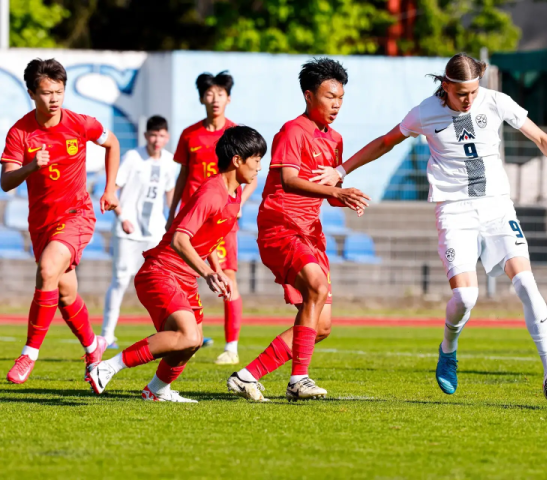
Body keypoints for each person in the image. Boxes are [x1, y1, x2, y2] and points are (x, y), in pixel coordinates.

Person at [310, 53, 547, 395]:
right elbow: (385, 142)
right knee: (466, 297)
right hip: (454, 211)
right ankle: (448, 348)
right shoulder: (424, 113)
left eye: (473, 91)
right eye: (461, 93)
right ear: (445, 86)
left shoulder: (496, 101)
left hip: (497, 207)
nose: (469, 99)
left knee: (527, 285)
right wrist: (341, 171)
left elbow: (541, 138)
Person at [87, 125, 266, 402]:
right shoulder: (212, 193)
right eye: (256, 160)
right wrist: (208, 274)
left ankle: (157, 390)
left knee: (192, 342)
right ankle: (106, 367)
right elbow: (180, 239)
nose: (259, 167)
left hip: (184, 278)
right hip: (161, 271)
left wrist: (219, 272)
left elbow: (208, 240)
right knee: (187, 335)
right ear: (237, 160)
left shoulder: (233, 197)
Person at [227, 58, 369, 402]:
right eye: (329, 96)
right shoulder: (292, 131)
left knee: (322, 326)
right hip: (281, 225)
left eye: (341, 98)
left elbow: (327, 192)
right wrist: (337, 192)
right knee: (317, 287)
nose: (336, 104)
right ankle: (298, 380)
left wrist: (345, 197)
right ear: (309, 96)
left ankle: (247, 376)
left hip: (310, 232)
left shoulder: (335, 140)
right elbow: (289, 180)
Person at [1, 58, 120, 384]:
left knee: (47, 269)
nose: (54, 98)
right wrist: (30, 167)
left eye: (59, 91)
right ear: (31, 93)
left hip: (76, 215)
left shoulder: (80, 123)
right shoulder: (20, 132)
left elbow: (112, 143)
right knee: (65, 293)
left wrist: (110, 188)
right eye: (46, 92)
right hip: (42, 224)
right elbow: (6, 181)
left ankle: (29, 354)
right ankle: (93, 346)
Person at [167, 71, 256, 364]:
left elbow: (253, 176)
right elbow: (183, 175)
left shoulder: (237, 135)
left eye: (220, 94)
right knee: (178, 276)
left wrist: (239, 203)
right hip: (192, 220)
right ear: (201, 98)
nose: (215, 99)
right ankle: (185, 337)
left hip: (221, 221)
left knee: (227, 277)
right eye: (209, 94)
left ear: (228, 99)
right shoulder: (189, 134)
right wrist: (172, 212)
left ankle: (231, 347)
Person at [101, 116, 177, 349]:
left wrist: (173, 222)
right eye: (153, 135)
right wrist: (122, 217)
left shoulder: (170, 161)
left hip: (154, 232)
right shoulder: (132, 158)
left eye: (161, 135)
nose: (157, 140)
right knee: (121, 280)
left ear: (167, 137)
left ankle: (176, 331)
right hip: (128, 231)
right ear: (146, 136)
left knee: (163, 282)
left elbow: (170, 194)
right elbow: (112, 190)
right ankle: (107, 335)